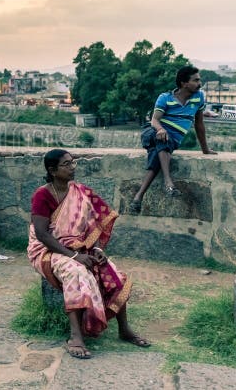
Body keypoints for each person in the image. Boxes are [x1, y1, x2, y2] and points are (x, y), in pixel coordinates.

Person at [28, 149, 150, 359]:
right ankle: (76, 336)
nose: (72, 167)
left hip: (78, 246)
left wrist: (97, 250)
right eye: (66, 164)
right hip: (48, 248)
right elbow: (41, 234)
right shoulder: (43, 194)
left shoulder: (80, 191)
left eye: (73, 162)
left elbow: (91, 226)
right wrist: (75, 257)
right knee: (77, 273)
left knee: (112, 272)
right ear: (52, 170)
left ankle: (124, 329)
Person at [129, 65, 217, 212]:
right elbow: (154, 121)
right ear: (184, 83)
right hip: (153, 132)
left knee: (159, 152)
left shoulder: (199, 97)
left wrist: (205, 149)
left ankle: (138, 197)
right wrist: (161, 129)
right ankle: (168, 181)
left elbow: (199, 124)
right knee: (161, 139)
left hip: (171, 140)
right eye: (196, 80)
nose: (199, 83)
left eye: (199, 80)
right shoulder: (165, 98)